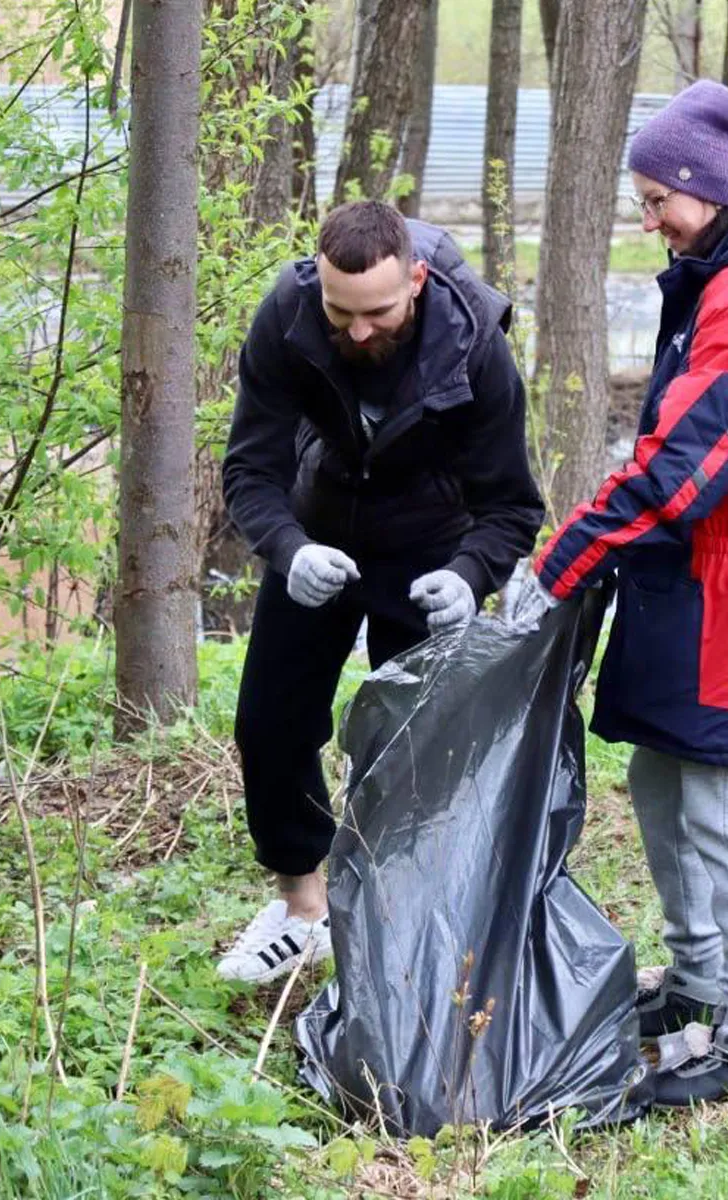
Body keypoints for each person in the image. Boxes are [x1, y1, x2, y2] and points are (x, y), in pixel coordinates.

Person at [522, 80, 728, 1104]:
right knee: (663, 781)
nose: (649, 220)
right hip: (698, 578)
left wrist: (556, 569)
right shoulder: (718, 279)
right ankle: (698, 982)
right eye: (643, 200)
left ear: (707, 190)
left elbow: (678, 470)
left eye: (658, 199)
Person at [216, 201, 545, 983]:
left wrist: (469, 576)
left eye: (379, 312)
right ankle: (303, 911)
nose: (359, 331)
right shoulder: (287, 317)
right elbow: (251, 468)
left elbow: (512, 505)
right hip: (319, 530)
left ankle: (401, 924)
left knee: (418, 747)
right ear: (318, 284)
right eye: (342, 313)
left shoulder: (476, 344)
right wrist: (289, 549)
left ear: (417, 280)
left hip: (429, 548)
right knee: (270, 722)